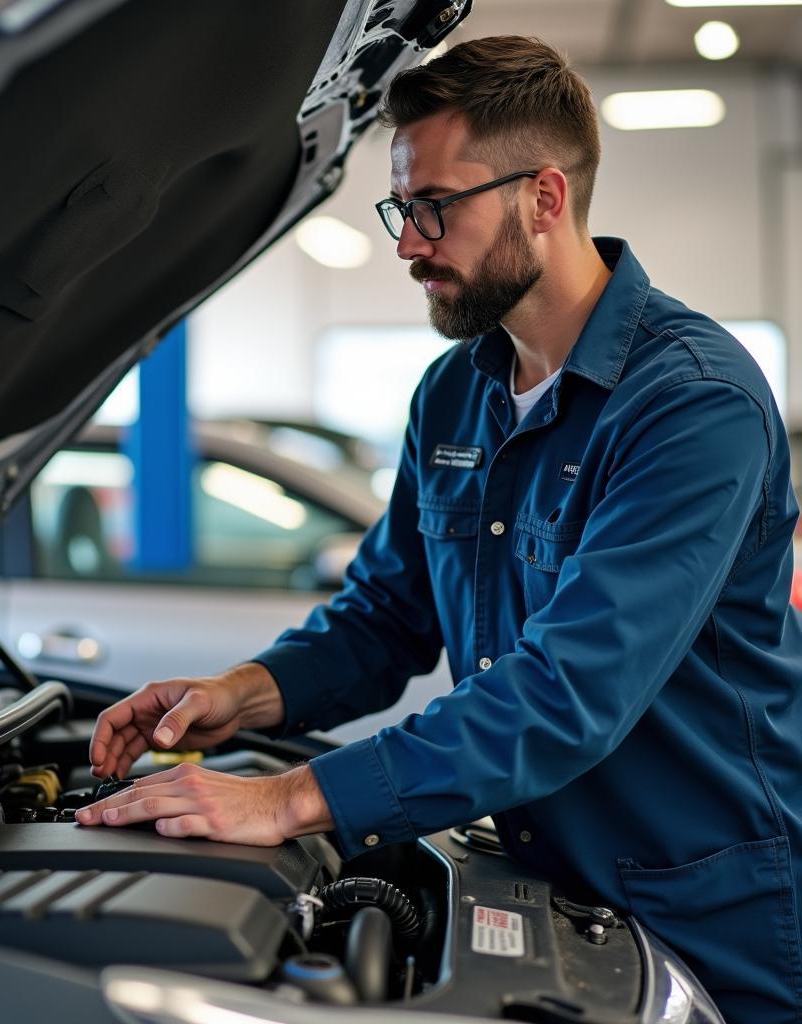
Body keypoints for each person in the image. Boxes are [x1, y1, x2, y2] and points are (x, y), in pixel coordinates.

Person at [75, 36, 802, 1023]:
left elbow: (567, 689)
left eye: (433, 208)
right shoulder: (454, 393)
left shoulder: (691, 404)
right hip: (546, 883)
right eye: (399, 210)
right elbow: (385, 615)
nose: (409, 241)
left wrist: (287, 798)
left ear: (544, 198)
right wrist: (240, 694)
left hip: (704, 898)